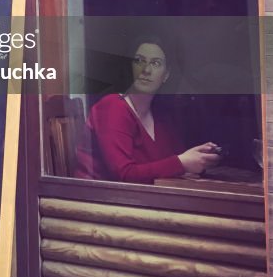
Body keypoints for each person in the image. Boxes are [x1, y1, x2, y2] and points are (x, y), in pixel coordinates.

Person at [82, 39, 221, 184]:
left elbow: (169, 164)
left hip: (141, 198)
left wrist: (198, 159)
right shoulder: (112, 107)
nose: (146, 70)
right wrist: (182, 163)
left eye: (155, 63)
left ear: (166, 75)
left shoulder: (160, 115)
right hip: (99, 200)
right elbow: (123, 175)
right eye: (139, 61)